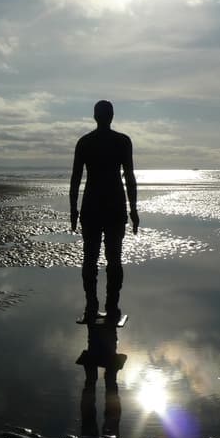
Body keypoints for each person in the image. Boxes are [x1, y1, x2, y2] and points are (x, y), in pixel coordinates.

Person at [69, 100, 139, 321]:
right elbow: (129, 177)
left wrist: (73, 208)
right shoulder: (122, 142)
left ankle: (93, 306)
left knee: (90, 258)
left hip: (91, 206)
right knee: (113, 259)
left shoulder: (85, 142)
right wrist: (133, 209)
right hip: (114, 206)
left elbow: (75, 179)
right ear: (111, 116)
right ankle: (111, 306)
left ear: (95, 116)